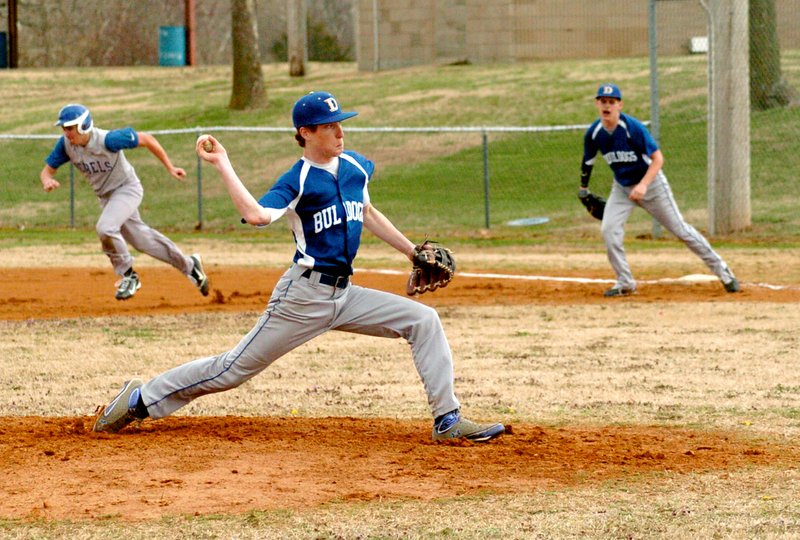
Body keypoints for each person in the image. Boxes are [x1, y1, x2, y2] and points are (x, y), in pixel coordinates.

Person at [93, 91, 505, 443]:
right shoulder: (300, 179)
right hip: (302, 297)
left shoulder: (356, 167)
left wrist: (412, 252)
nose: (340, 132)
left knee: (423, 321)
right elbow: (256, 215)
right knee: (231, 371)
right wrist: (223, 164)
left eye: (340, 124)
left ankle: (448, 420)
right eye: (329, 126)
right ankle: (140, 398)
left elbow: (367, 211)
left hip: (345, 294)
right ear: (306, 133)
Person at [580, 83, 740, 297]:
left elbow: (658, 159)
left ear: (620, 105)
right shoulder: (594, 133)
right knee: (609, 231)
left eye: (611, 102)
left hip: (652, 185)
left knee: (681, 231)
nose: (607, 106)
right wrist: (583, 189)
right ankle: (625, 282)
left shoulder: (633, 128)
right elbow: (588, 162)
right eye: (603, 101)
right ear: (597, 104)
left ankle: (724, 271)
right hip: (622, 188)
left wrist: (643, 185)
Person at [40, 104, 209, 300]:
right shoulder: (66, 145)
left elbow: (146, 139)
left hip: (127, 189)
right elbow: (47, 171)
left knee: (105, 228)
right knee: (143, 241)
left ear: (84, 125)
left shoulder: (108, 139)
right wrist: (47, 181)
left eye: (71, 128)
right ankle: (191, 266)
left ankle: (128, 275)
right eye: (64, 128)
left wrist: (170, 167)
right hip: (107, 198)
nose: (67, 133)